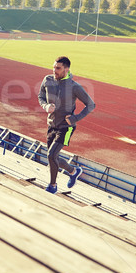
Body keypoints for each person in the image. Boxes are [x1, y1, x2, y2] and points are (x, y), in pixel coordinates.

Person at [38, 56, 95, 194]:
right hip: (51, 125)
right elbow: (41, 96)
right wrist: (45, 106)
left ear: (66, 69)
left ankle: (52, 186)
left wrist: (75, 118)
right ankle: (74, 171)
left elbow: (91, 105)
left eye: (58, 68)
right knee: (54, 157)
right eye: (53, 67)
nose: (54, 70)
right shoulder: (47, 80)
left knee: (51, 155)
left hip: (66, 127)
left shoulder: (74, 87)